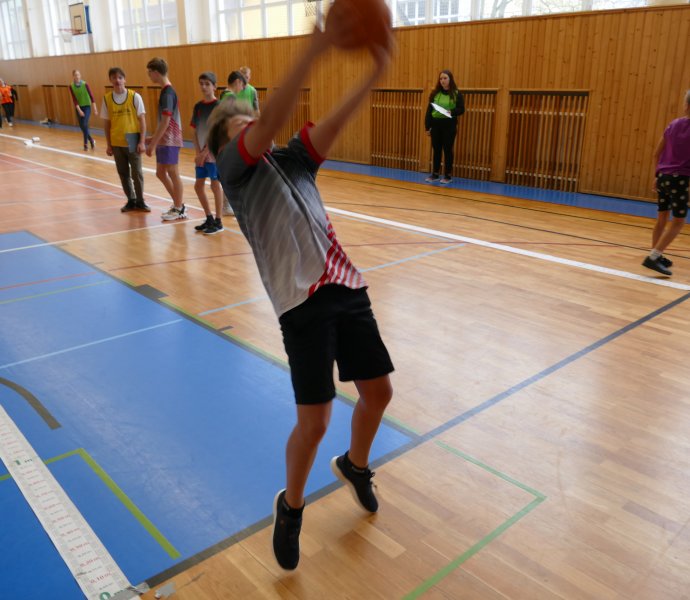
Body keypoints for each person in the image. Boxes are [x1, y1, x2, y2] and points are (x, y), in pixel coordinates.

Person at [206, 23, 394, 572]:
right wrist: (313, 49)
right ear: (228, 143)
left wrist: (376, 71)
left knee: (379, 392)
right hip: (301, 306)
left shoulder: (295, 159)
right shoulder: (235, 172)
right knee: (314, 423)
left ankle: (355, 465)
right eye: (243, 124)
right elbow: (265, 124)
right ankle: (290, 508)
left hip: (346, 286)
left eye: (252, 120)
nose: (254, 126)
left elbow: (336, 119)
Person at [642, 89, 690, 276]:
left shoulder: (673, 124)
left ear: (685, 105)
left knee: (662, 218)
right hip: (680, 180)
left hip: (663, 177)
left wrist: (657, 175)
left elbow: (656, 153)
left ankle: (655, 254)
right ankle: (654, 257)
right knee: (678, 222)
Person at [101, 67, 149, 212]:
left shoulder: (135, 96)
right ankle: (131, 200)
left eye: (120, 77)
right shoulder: (107, 99)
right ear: (110, 80)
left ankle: (140, 201)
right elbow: (107, 123)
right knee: (123, 174)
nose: (117, 80)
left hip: (132, 139)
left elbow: (142, 120)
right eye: (114, 78)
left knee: (137, 173)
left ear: (124, 79)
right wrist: (109, 144)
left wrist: (142, 141)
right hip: (116, 141)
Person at [145, 57, 186, 221]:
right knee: (160, 172)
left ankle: (179, 208)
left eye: (149, 72)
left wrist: (153, 143)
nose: (149, 76)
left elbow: (166, 121)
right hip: (164, 139)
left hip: (171, 139)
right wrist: (154, 138)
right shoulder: (164, 92)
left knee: (172, 172)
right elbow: (163, 121)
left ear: (156, 72)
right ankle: (178, 204)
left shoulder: (168, 93)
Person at [190, 72, 224, 235]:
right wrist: (198, 152)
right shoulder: (198, 107)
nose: (203, 87)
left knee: (215, 185)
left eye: (207, 84)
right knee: (198, 186)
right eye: (201, 83)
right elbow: (194, 131)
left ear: (214, 86)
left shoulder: (219, 107)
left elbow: (218, 133)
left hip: (214, 154)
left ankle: (218, 220)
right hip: (201, 154)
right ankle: (209, 217)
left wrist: (205, 153)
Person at [424, 70, 465, 184]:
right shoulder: (435, 93)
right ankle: (435, 174)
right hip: (436, 125)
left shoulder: (456, 93)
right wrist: (427, 127)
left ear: (450, 79)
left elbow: (461, 109)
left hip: (449, 125)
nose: (442, 80)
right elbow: (429, 111)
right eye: (441, 78)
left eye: (445, 78)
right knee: (436, 150)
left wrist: (452, 112)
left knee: (447, 150)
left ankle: (448, 175)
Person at [69, 70, 98, 150]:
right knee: (82, 127)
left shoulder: (85, 84)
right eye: (75, 75)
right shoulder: (71, 86)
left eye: (78, 74)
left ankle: (85, 144)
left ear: (80, 75)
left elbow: (92, 97)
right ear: (73, 76)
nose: (77, 76)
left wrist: (95, 108)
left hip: (87, 107)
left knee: (85, 124)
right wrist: (79, 110)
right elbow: (74, 100)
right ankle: (91, 140)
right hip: (79, 107)